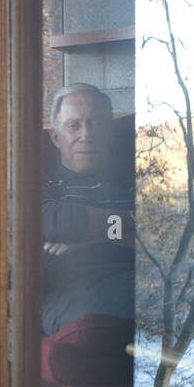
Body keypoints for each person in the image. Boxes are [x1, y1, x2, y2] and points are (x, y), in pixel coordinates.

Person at [41, 82, 135, 336]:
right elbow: (59, 222)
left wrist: (92, 239)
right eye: (74, 125)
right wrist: (129, 228)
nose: (87, 135)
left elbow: (167, 234)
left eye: (97, 124)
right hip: (73, 293)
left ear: (111, 132)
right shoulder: (42, 183)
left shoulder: (135, 181)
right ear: (55, 136)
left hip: (140, 278)